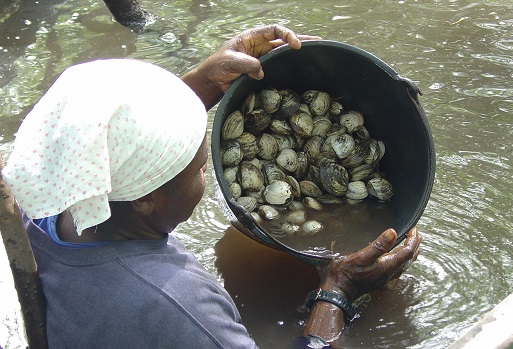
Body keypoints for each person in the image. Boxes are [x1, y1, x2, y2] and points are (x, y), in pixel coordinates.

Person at [1, 24, 422, 348]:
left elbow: (107, 146)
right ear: (147, 199)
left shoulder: (43, 196)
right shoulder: (179, 307)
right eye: (201, 168)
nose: (209, 176)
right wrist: (337, 293)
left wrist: (203, 80)